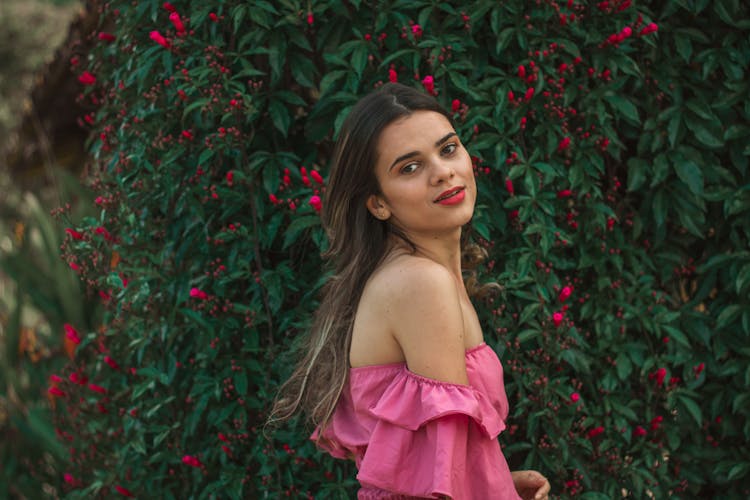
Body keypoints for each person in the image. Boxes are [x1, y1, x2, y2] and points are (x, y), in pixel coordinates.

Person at [268, 82, 550, 499]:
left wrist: (501, 484)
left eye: (448, 149)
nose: (442, 171)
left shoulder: (419, 274)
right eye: (410, 168)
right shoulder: (421, 283)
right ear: (378, 204)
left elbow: (443, 462)